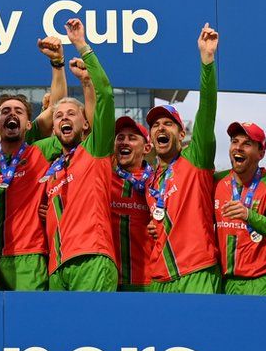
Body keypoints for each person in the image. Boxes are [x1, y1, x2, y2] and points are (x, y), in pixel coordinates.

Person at [34, 18, 117, 291]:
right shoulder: (52, 168)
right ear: (54, 127)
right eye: (58, 116)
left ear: (85, 124)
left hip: (91, 257)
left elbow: (105, 94)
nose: (64, 118)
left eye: (71, 113)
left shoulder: (95, 150)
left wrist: (81, 45)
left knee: (95, 334)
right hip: (57, 267)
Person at [144, 23, 221, 294]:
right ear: (150, 138)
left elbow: (207, 109)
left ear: (182, 133)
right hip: (159, 277)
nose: (161, 128)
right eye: (155, 125)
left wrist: (207, 62)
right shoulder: (150, 180)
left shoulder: (195, 159)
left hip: (196, 272)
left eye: (168, 124)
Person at [0, 36, 67, 291]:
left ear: (28, 124)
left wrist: (57, 64)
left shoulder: (40, 151)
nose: (11, 114)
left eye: (18, 111)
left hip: (29, 254)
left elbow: (58, 108)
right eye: (5, 111)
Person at [214, 122, 266, 296]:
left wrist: (249, 215)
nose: (238, 148)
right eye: (235, 141)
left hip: (263, 282)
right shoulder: (217, 181)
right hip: (226, 284)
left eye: (247, 144)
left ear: (261, 153)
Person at [109, 116, 154, 291]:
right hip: (110, 281)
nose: (124, 142)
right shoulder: (104, 179)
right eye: (120, 137)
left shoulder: (158, 181)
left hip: (150, 282)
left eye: (132, 138)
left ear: (147, 148)